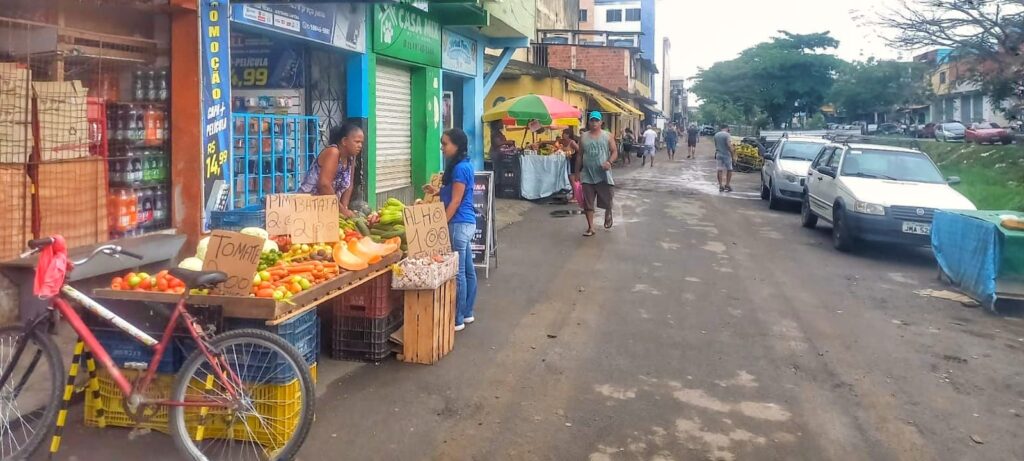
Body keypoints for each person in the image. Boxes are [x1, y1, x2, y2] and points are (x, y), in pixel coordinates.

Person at [424, 128, 477, 331]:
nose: (442, 147)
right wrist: (437, 191)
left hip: (458, 224)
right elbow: (455, 193)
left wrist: (441, 225)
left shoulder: (460, 168)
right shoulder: (463, 166)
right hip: (465, 223)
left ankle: (457, 319)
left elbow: (455, 202)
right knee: (468, 270)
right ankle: (468, 313)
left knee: (459, 273)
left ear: (457, 145)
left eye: (445, 144)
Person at [297, 122, 363, 217]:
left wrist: (344, 209)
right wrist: (342, 211)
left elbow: (349, 186)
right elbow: (324, 185)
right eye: (357, 142)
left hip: (328, 209)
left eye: (361, 142)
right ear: (344, 141)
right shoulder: (333, 152)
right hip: (307, 208)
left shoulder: (351, 158)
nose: (360, 146)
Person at [574, 112, 618, 236]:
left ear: (601, 122)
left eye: (596, 121)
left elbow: (614, 152)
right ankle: (590, 228)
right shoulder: (583, 137)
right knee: (588, 202)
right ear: (588, 122)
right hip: (587, 174)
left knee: (608, 199)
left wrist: (609, 162)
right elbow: (579, 155)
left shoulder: (607, 136)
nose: (594, 123)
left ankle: (608, 212)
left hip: (603, 175)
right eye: (592, 120)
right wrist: (577, 172)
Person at [713, 124, 736, 192]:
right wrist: (733, 155)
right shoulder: (727, 135)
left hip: (718, 154)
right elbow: (729, 146)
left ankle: (720, 185)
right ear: (727, 128)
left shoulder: (716, 135)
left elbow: (716, 145)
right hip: (726, 155)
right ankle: (727, 185)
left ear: (721, 128)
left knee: (719, 170)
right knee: (729, 169)